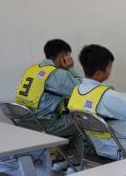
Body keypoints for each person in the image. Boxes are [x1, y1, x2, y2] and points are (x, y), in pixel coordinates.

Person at [14, 39, 83, 168]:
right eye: (69, 55)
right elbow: (83, 90)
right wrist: (71, 69)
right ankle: (77, 162)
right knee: (83, 121)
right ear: (64, 55)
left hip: (25, 122)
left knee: (67, 115)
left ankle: (61, 160)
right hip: (45, 125)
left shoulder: (32, 69)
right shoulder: (58, 74)